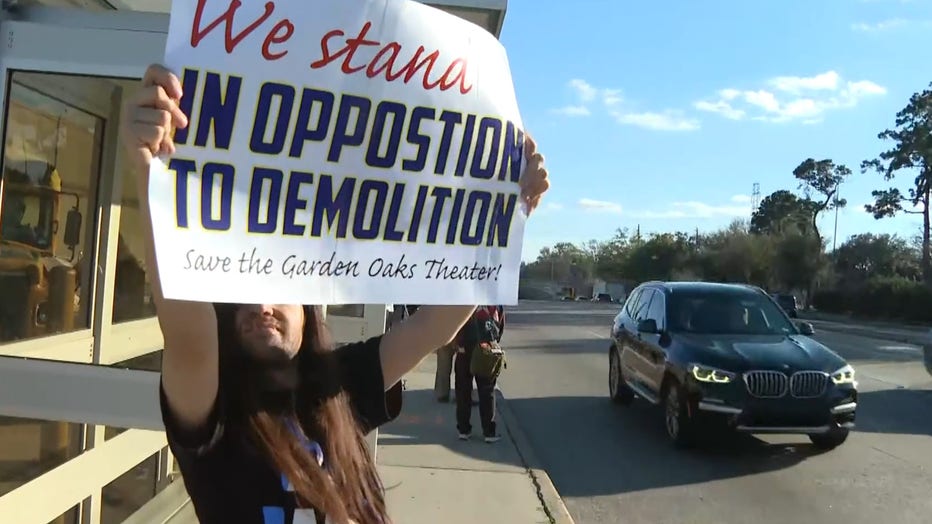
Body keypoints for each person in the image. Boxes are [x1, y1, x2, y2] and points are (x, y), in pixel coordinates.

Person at [119, 64, 549, 524]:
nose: (260, 306)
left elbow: (435, 325)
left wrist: (507, 210)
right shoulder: (214, 409)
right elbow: (189, 334)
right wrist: (151, 172)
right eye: (238, 296)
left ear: (308, 305)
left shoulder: (341, 383)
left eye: (276, 288)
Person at [455, 305, 506, 443]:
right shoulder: (494, 302)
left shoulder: (463, 300)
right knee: (487, 390)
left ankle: (463, 429)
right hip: (486, 349)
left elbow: (455, 323)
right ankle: (489, 431)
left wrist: (458, 343)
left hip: (464, 348)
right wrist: (494, 342)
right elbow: (499, 324)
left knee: (463, 390)